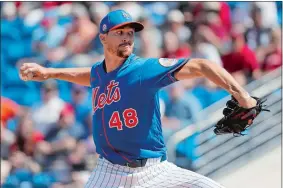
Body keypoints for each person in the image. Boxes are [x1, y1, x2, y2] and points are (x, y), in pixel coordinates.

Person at [19, 9, 257, 188]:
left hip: (155, 172)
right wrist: (50, 73)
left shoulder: (144, 69)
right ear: (102, 38)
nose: (127, 37)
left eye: (130, 33)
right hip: (108, 173)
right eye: (119, 32)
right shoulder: (99, 74)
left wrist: (243, 96)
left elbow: (202, 66)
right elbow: (89, 76)